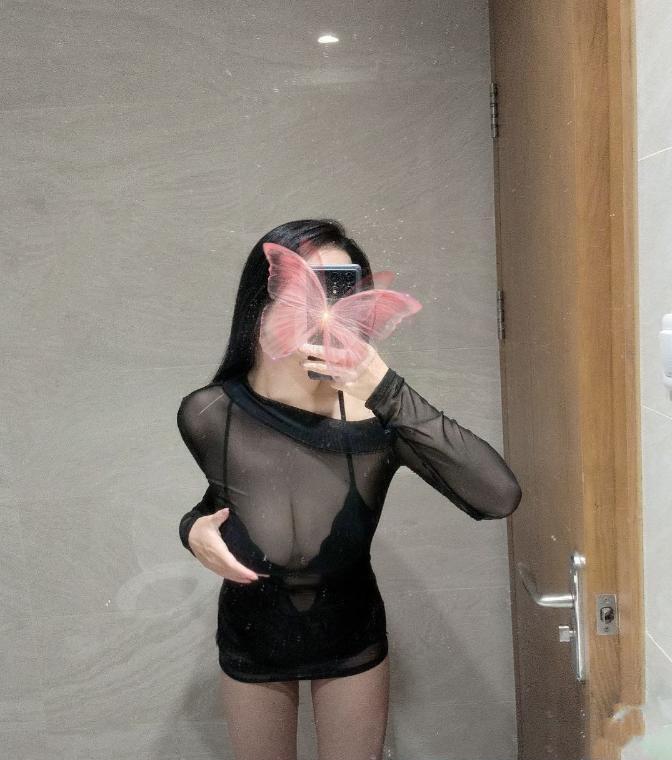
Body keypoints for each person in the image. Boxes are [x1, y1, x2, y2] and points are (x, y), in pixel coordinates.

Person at [176, 218, 523, 760]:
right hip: (252, 634)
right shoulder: (209, 412)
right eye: (305, 287)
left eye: (339, 288)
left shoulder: (381, 416)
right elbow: (233, 501)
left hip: (351, 635)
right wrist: (190, 529)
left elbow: (498, 496)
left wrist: (387, 390)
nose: (323, 309)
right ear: (261, 302)